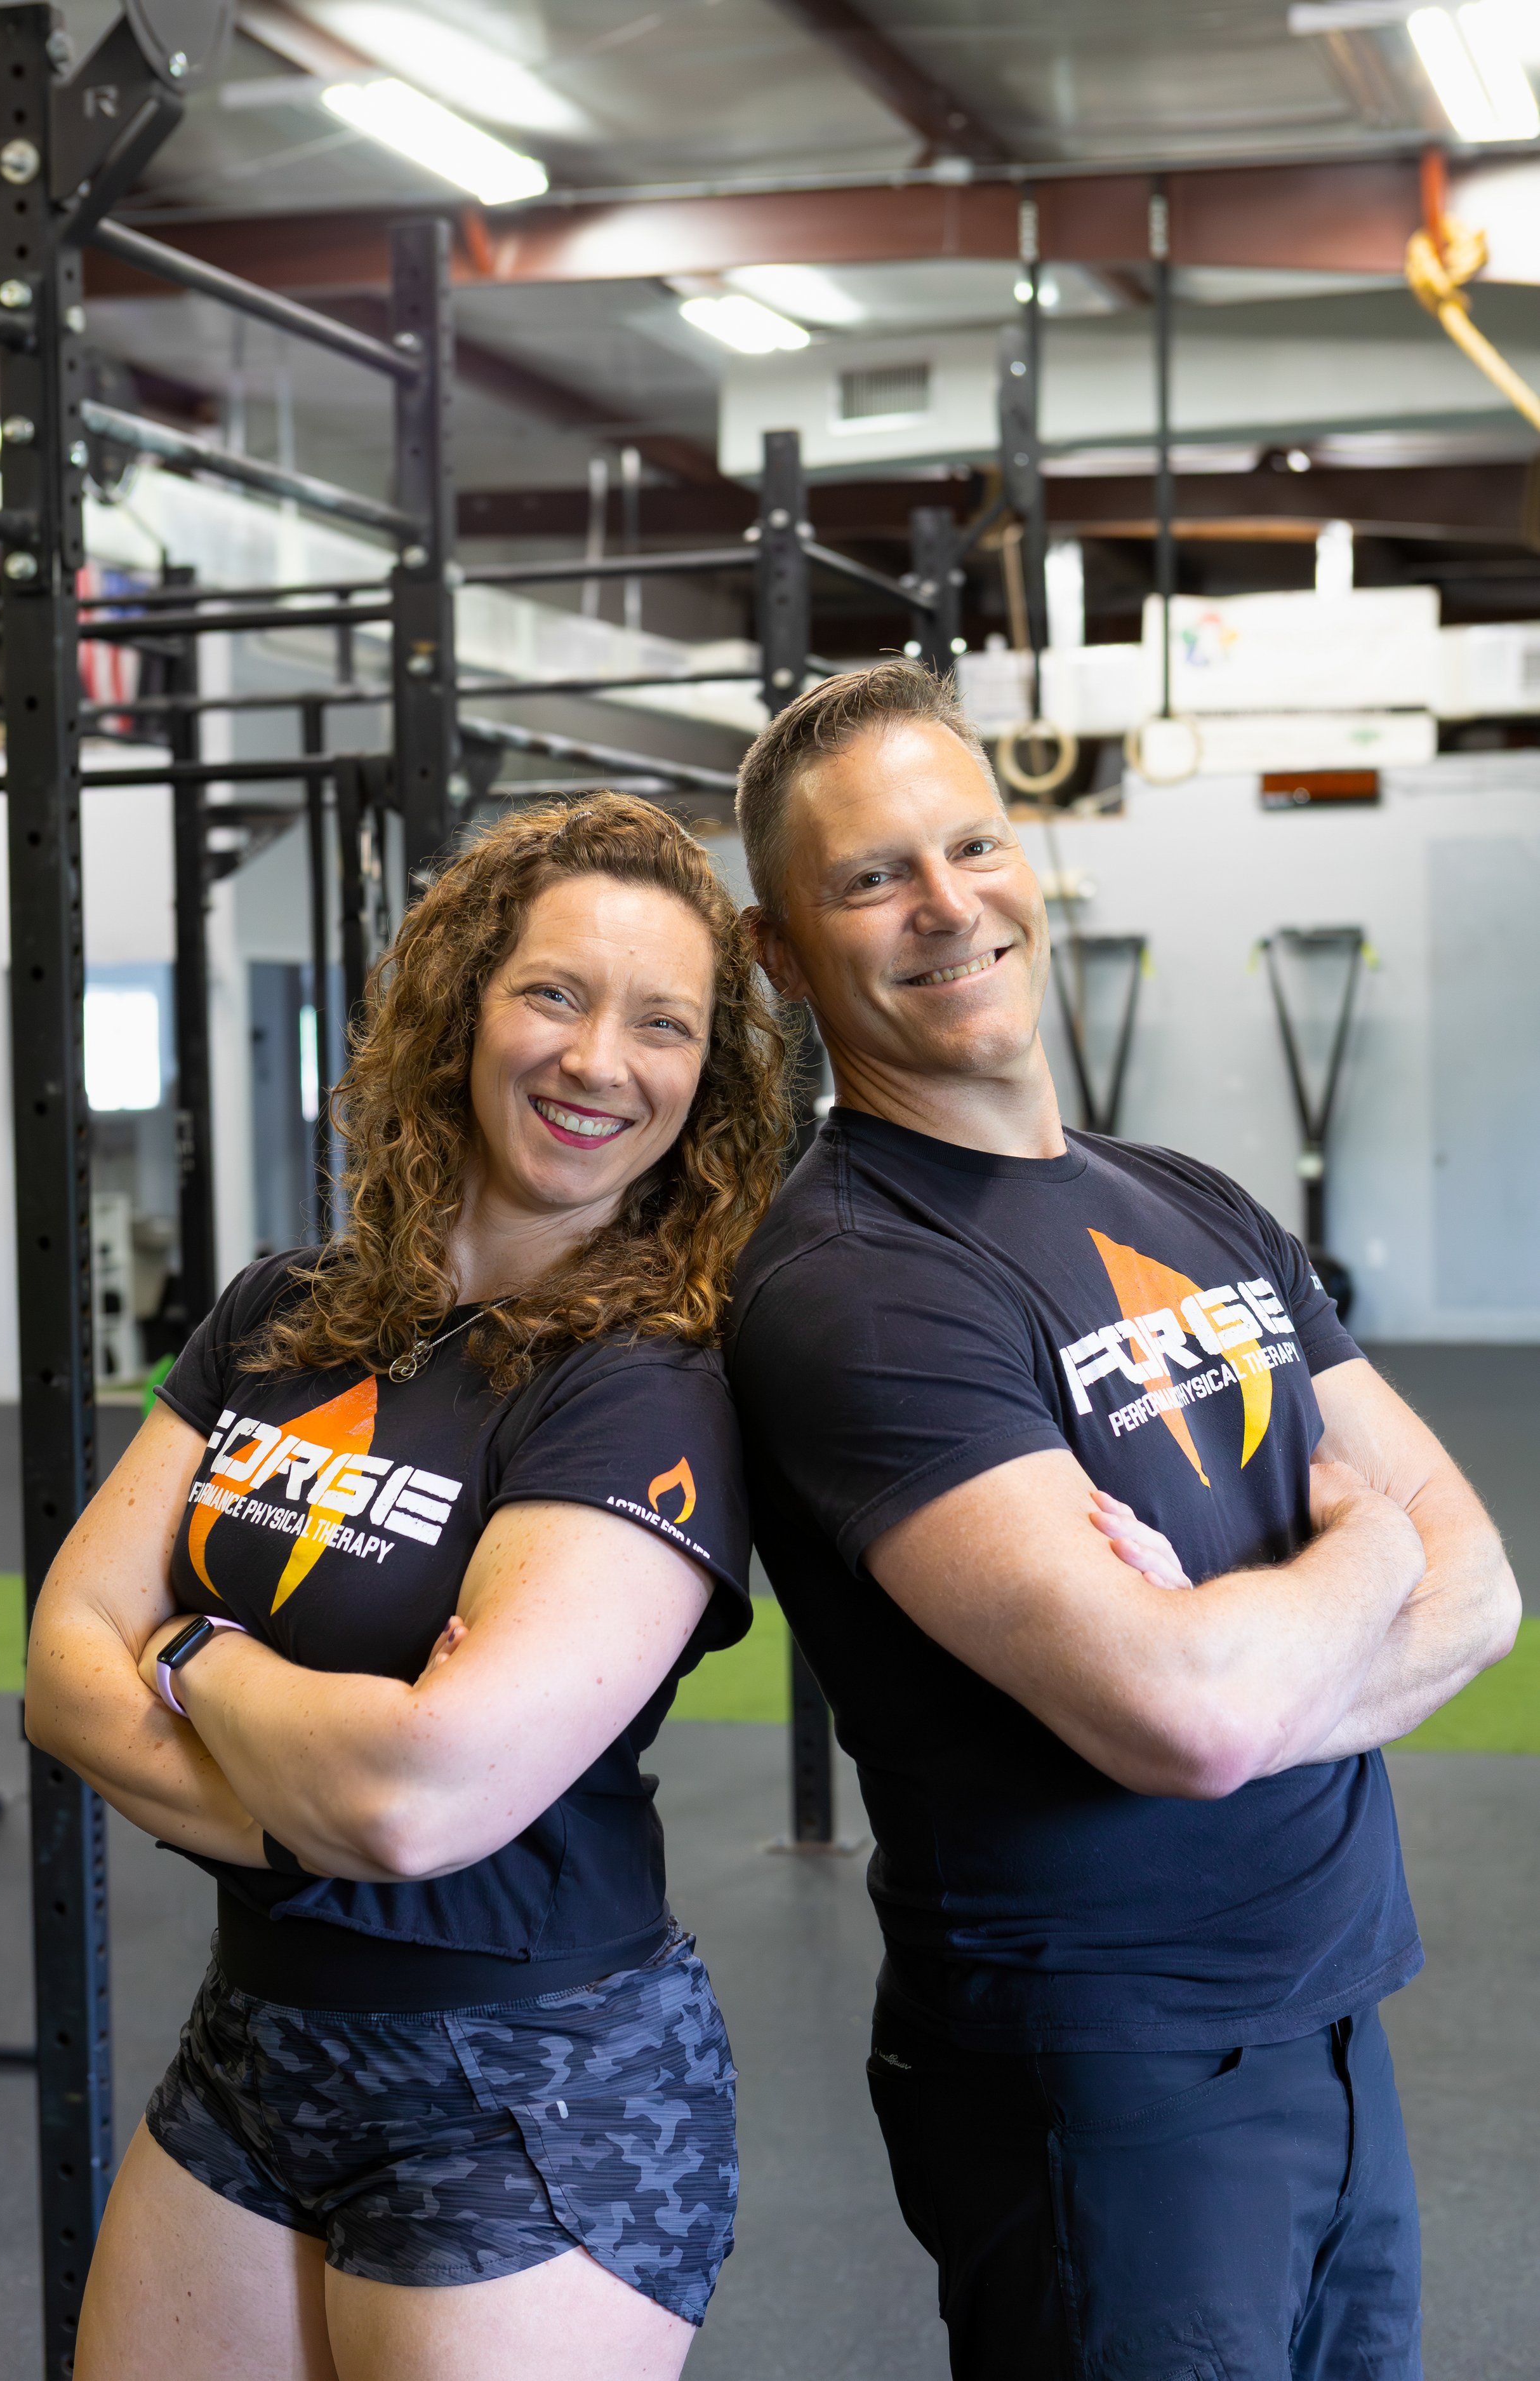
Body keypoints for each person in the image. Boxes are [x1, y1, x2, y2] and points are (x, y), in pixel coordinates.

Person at [724, 662, 1520, 2381]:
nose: (947, 905)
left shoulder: (1190, 1201)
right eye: (871, 878)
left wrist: (1246, 1668)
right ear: (781, 954)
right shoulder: (857, 1283)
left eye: (971, 845)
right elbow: (1193, 1703)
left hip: (1326, 2020)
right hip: (1104, 2079)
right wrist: (1363, 1550)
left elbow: (1483, 1592)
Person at [27, 792, 790, 2381]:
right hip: (253, 2049)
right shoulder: (275, 1315)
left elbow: (410, 1803)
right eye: (554, 993)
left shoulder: (644, 1387)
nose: (598, 1061)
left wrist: (190, 1649)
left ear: (704, 1080)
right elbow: (58, 1668)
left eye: (661, 1024)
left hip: (529, 2082)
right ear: (463, 1007)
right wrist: (312, 1797)